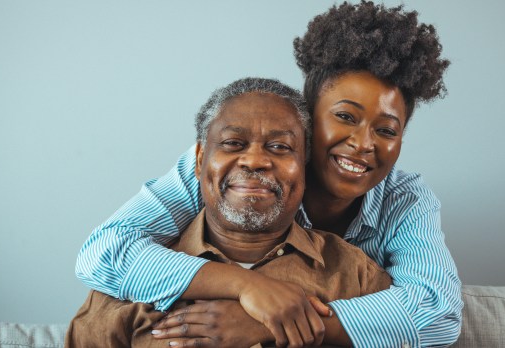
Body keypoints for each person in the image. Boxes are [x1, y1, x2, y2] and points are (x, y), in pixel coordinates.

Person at [75, 2, 463, 347]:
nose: (363, 143)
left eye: (386, 130)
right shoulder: (224, 171)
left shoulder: (403, 203)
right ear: (307, 118)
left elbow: (439, 314)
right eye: (345, 117)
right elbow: (103, 253)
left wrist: (270, 323)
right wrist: (247, 287)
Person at [66, 77, 393, 348]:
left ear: (304, 168)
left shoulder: (356, 277)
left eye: (280, 147)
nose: (255, 161)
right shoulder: (124, 287)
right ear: (198, 161)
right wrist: (247, 287)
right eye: (234, 143)